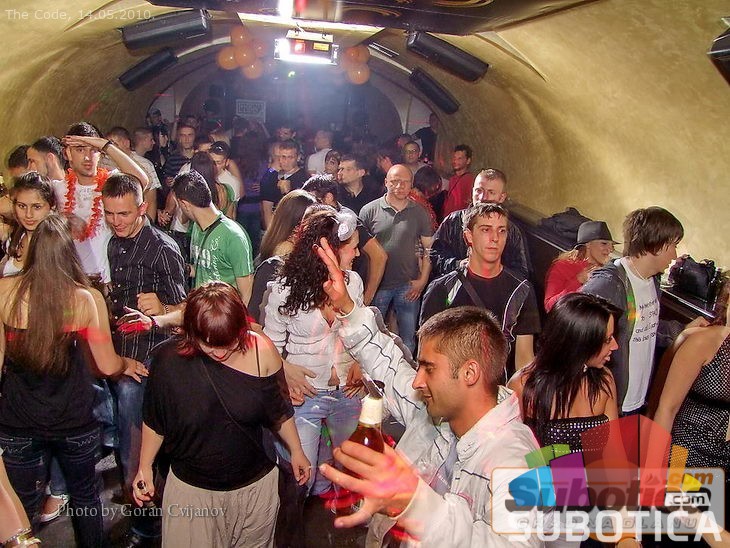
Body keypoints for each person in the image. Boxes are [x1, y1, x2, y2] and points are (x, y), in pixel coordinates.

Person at [313, 238, 541, 547]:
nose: (417, 381)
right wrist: (347, 307)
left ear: (469, 373)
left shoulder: (520, 460)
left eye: (429, 368)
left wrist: (414, 502)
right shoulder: (436, 411)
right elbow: (389, 365)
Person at [0, 215, 144, 547]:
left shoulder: (5, 292)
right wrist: (127, 363)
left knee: (20, 505)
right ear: (69, 252)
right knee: (85, 498)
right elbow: (107, 365)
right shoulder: (84, 300)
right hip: (73, 421)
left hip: (18, 420)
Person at [132, 282, 310, 547]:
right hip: (193, 494)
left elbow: (278, 411)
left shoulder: (262, 351)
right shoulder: (168, 362)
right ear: (193, 332)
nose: (219, 353)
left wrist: (296, 450)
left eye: (229, 343)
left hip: (255, 490)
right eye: (209, 344)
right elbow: (155, 421)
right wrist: (144, 467)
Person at [102, 173, 187, 547]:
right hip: (125, 359)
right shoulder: (114, 244)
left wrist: (164, 307)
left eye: (123, 213)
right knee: (130, 448)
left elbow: (186, 311)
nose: (115, 221)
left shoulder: (163, 248)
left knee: (144, 452)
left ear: (141, 208)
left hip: (155, 363)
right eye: (109, 214)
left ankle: (148, 529)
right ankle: (146, 521)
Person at [261, 209, 363, 496]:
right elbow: (267, 345)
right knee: (302, 480)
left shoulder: (353, 282)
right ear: (330, 251)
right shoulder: (286, 289)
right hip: (305, 395)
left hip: (348, 393)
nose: (357, 253)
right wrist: (284, 369)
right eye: (352, 247)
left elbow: (359, 329)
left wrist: (359, 360)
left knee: (349, 474)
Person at [581, 206, 708, 414]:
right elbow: (579, 341)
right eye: (673, 245)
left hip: (638, 400)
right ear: (655, 245)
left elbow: (645, 326)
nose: (675, 255)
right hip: (611, 403)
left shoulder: (653, 281)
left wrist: (684, 330)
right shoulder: (608, 285)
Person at [421, 203, 540, 371]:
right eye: (486, 230)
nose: (495, 238)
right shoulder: (442, 289)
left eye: (501, 231)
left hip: (498, 384)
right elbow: (427, 355)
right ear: (469, 236)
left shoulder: (521, 290)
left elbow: (524, 359)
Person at [509, 293, 620, 450]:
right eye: (607, 340)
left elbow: (614, 449)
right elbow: (511, 453)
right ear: (581, 343)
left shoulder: (604, 380)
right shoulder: (523, 386)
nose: (615, 346)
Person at [654, 274, 730, 476]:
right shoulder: (702, 342)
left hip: (723, 461)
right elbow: (666, 408)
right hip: (686, 451)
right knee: (678, 497)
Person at [58, 121, 149, 282]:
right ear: (68, 153)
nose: (88, 157)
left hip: (107, 280)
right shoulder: (58, 189)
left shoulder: (111, 182)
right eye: (80, 149)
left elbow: (141, 181)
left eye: (93, 150)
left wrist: (106, 145)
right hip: (70, 280)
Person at [360, 164, 434, 354]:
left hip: (407, 285)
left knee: (408, 338)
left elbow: (429, 248)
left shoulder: (419, 212)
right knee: (372, 337)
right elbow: (360, 250)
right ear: (386, 182)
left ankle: (406, 371)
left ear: (411, 185)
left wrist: (422, 280)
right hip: (377, 286)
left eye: (405, 182)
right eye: (395, 181)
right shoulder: (369, 211)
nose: (400, 186)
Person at [302, 174, 388, 306]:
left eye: (313, 200)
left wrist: (366, 300)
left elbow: (379, 256)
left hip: (348, 291)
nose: (309, 206)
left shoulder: (348, 222)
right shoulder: (319, 221)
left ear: (328, 197)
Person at [431, 168, 531, 279]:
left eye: (491, 192)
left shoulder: (511, 231)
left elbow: (521, 272)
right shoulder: (453, 220)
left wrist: (494, 274)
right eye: (479, 191)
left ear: (502, 197)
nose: (483, 197)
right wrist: (457, 265)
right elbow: (434, 254)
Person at [175, 170, 254, 303]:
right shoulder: (196, 228)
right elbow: (207, 269)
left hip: (223, 312)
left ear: (185, 204)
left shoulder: (233, 236)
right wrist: (186, 269)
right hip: (202, 309)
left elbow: (246, 293)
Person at [544, 220, 617, 311]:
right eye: (604, 243)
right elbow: (549, 307)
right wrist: (578, 281)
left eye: (612, 245)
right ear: (588, 244)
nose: (610, 249)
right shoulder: (562, 266)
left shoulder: (608, 270)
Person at [0, 173, 56, 276]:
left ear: (52, 206)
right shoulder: (16, 237)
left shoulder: (56, 244)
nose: (28, 214)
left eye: (37, 207)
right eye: (22, 206)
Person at [260, 140, 307, 229]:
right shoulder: (272, 176)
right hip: (275, 227)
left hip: (295, 229)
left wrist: (288, 192)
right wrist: (270, 232)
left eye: (290, 157)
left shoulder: (303, 178)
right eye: (283, 157)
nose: (286, 161)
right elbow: (267, 208)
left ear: (298, 158)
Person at [442, 144, 475, 217]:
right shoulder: (452, 179)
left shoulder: (469, 180)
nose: (455, 161)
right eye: (454, 158)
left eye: (460, 158)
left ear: (468, 161)